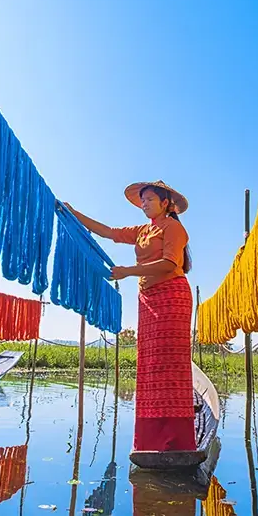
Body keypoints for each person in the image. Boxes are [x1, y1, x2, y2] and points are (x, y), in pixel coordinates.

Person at [64, 180, 195, 452]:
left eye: (149, 200)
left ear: (166, 203)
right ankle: (151, 441)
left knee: (169, 364)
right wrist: (74, 213)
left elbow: (171, 263)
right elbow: (109, 232)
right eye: (143, 200)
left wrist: (127, 271)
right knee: (149, 365)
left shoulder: (174, 228)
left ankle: (176, 441)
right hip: (148, 298)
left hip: (171, 296)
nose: (144, 204)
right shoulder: (143, 230)